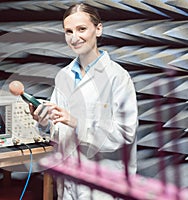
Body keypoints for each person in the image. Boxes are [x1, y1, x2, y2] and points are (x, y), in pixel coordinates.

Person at [29, 3, 138, 200]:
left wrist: (77, 122)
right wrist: (44, 122)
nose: (74, 37)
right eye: (68, 31)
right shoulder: (63, 76)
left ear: (98, 29)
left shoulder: (118, 77)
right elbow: (58, 129)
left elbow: (125, 134)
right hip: (69, 183)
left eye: (81, 29)